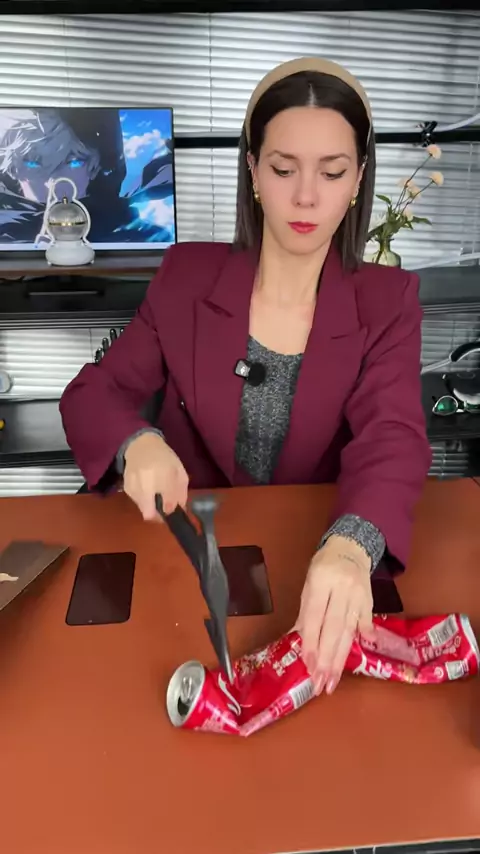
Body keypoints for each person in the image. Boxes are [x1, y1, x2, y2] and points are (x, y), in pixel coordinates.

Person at [60, 57, 431, 697]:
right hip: (187, 567)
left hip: (310, 561)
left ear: (358, 179)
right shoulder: (186, 277)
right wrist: (136, 442)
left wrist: (352, 547)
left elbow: (392, 437)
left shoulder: (387, 300)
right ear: (253, 171)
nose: (306, 197)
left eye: (332, 172)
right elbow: (93, 394)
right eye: (284, 169)